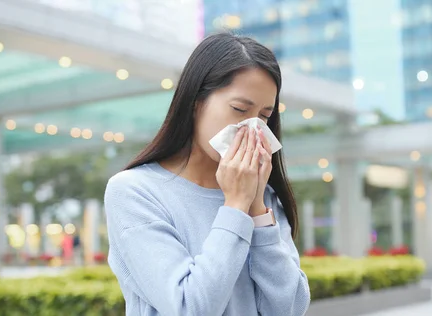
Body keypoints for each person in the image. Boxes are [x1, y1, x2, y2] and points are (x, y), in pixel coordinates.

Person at [104, 33, 311, 316]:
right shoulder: (135, 192)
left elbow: (289, 309)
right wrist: (236, 205)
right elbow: (190, 308)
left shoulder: (263, 196)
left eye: (264, 115)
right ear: (196, 102)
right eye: (239, 109)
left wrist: (256, 209)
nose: (252, 127)